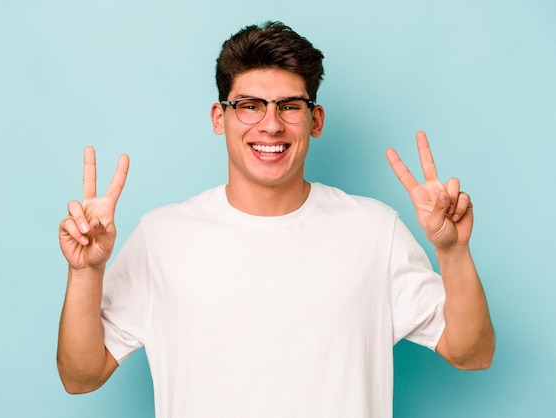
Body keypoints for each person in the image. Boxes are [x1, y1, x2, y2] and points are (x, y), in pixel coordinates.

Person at [57, 21, 495, 417]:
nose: (270, 125)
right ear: (219, 117)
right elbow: (81, 376)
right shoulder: (162, 236)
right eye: (249, 105)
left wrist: (454, 251)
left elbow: (471, 353)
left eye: (289, 106)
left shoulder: (375, 230)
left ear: (314, 119)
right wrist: (85, 272)